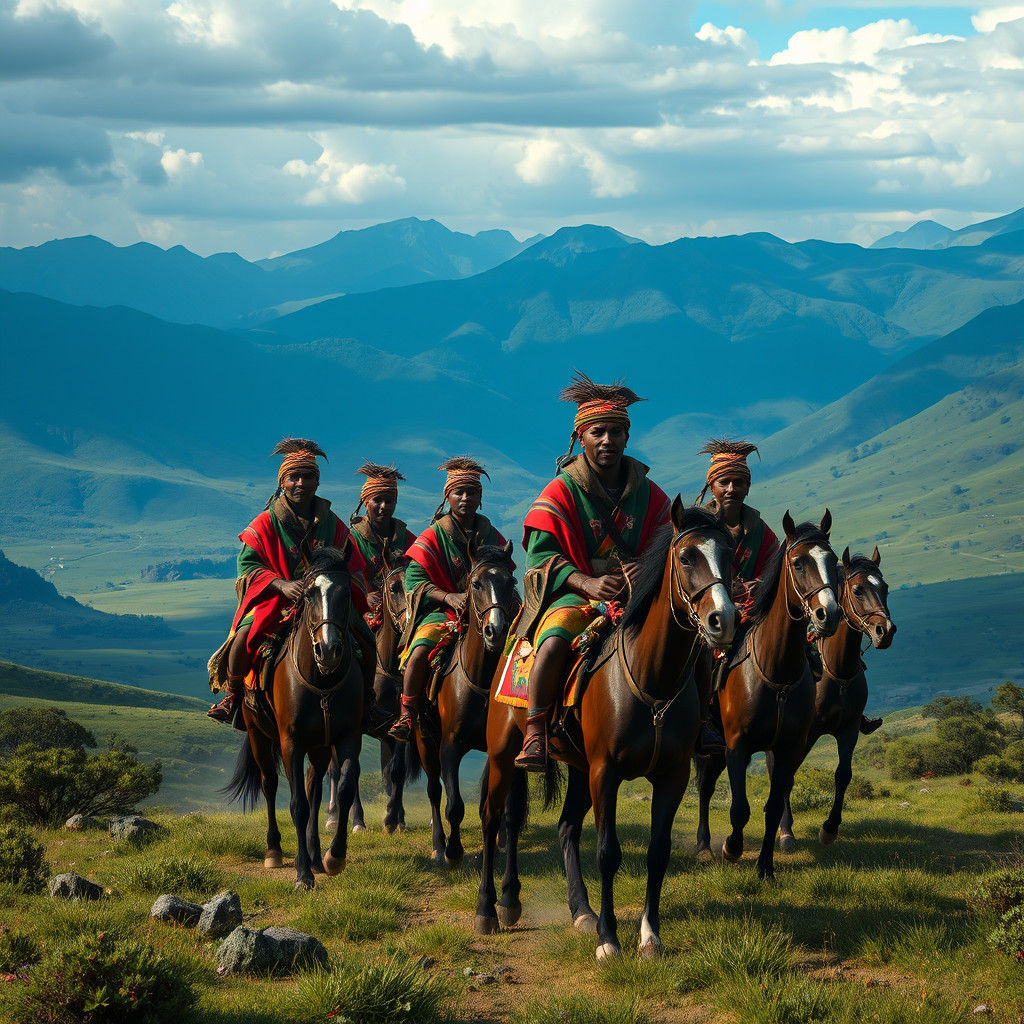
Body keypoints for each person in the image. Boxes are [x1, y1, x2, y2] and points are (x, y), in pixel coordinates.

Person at [513, 373, 671, 771]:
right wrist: (587, 582)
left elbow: (669, 544)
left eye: (616, 432)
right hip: (574, 593)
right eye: (597, 432)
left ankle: (702, 723)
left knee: (684, 634)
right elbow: (540, 556)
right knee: (554, 640)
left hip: (637, 593)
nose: (607, 440)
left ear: (627, 437)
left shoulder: (651, 494)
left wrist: (643, 570)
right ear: (580, 438)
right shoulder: (560, 491)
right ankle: (535, 730)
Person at [207, 438, 391, 733]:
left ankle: (368, 702)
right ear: (282, 481)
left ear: (318, 482)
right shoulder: (266, 523)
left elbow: (351, 564)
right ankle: (234, 695)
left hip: (323, 602)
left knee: (366, 640)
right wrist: (280, 585)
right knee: (243, 637)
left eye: (308, 477)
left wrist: (363, 593)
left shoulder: (332, 523)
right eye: (294, 477)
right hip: (276, 600)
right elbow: (248, 566)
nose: (301, 484)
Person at [388, 457, 507, 742]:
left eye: (472, 493)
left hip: (485, 609)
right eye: (459, 492)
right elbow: (414, 581)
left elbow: (504, 574)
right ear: (447, 497)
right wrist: (448, 597)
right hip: (442, 612)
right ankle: (407, 713)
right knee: (419, 651)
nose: (465, 498)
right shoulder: (433, 536)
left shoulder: (492, 536)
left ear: (480, 498)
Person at [697, 439, 779, 621]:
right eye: (723, 482)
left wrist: (758, 585)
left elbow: (775, 570)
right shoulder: (697, 529)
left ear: (747, 487)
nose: (731, 489)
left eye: (738, 483)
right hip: (705, 614)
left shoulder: (761, 532)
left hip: (752, 616)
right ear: (711, 487)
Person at [349, 462, 415, 623]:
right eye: (377, 500)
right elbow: (345, 576)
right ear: (366, 502)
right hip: (364, 611)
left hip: (405, 609)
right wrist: (364, 595)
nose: (383, 507)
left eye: (389, 501)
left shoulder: (408, 539)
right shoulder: (352, 539)